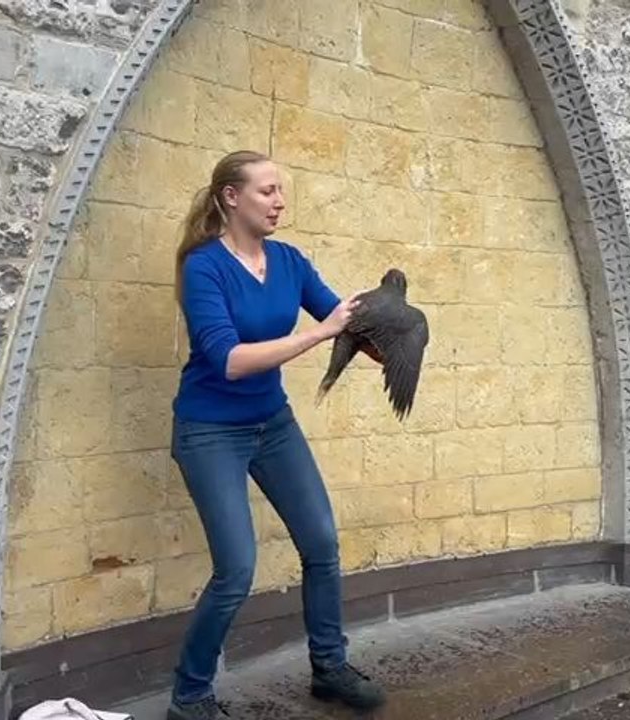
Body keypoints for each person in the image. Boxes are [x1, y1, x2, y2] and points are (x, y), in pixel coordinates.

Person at [166, 151, 386, 720]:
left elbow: (345, 316)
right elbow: (231, 360)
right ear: (231, 197)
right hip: (210, 429)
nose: (279, 201)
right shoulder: (204, 267)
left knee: (321, 544)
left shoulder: (288, 261)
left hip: (273, 424)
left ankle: (329, 667)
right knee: (236, 569)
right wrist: (323, 335)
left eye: (281, 191)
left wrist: (391, 338)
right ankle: (190, 696)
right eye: (267, 191)